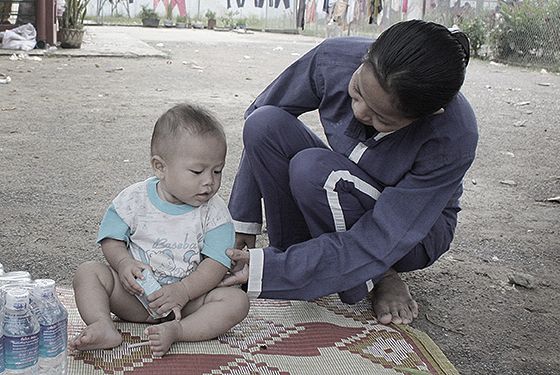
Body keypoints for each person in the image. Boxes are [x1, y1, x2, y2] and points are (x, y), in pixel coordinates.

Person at [219, 20, 478, 325]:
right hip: (340, 188)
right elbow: (260, 114)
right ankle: (298, 254)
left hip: (412, 231)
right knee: (265, 124)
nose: (358, 113)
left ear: (426, 116)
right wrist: (243, 224)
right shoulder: (334, 58)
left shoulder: (452, 135)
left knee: (315, 172)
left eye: (381, 118)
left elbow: (388, 232)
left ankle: (381, 274)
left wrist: (268, 271)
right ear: (366, 55)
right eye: (356, 91)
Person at [70, 104, 250, 357]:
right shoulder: (134, 199)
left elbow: (216, 263)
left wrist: (184, 291)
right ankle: (101, 324)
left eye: (217, 170)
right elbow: (111, 238)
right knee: (88, 272)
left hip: (187, 303)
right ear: (160, 167)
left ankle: (178, 330)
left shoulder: (215, 212)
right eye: (197, 171)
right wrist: (123, 264)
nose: (209, 181)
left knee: (236, 302)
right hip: (134, 296)